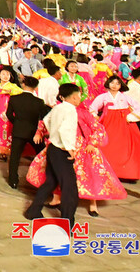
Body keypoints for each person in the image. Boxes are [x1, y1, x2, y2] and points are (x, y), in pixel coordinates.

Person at [24, 83, 81, 227]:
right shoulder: (71, 110)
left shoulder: (57, 107)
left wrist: (52, 133)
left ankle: (33, 210)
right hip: (61, 150)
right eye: (78, 96)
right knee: (70, 188)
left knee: (51, 182)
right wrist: (69, 148)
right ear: (74, 97)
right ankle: (67, 222)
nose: (79, 99)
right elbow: (65, 130)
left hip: (52, 147)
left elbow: (46, 120)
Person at [88, 75, 140, 181]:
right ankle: (109, 172)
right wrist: (97, 117)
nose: (114, 86)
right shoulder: (102, 97)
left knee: (126, 148)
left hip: (125, 124)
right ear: (108, 83)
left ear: (121, 85)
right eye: (112, 83)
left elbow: (139, 108)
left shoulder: (125, 97)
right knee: (108, 147)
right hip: (108, 124)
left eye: (117, 83)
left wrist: (131, 117)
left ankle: (127, 173)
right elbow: (92, 108)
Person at [6, 76, 48, 189]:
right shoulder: (39, 102)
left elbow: (9, 114)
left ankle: (13, 180)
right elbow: (44, 117)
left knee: (15, 156)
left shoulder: (14, 98)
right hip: (34, 133)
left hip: (19, 130)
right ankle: (44, 179)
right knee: (42, 154)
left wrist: (17, 123)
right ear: (35, 87)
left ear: (23, 84)